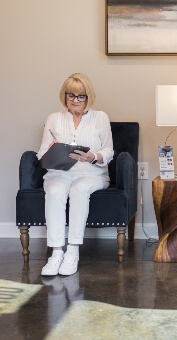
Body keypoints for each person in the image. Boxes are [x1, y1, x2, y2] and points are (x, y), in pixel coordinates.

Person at [37, 73, 114, 276]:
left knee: (79, 189)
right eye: (71, 95)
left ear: (88, 97)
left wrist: (92, 156)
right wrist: (52, 150)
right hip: (59, 173)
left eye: (81, 96)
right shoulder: (53, 119)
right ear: (65, 96)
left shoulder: (101, 117)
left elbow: (109, 151)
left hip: (92, 174)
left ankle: (72, 251)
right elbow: (41, 154)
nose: (76, 101)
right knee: (54, 191)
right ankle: (55, 253)